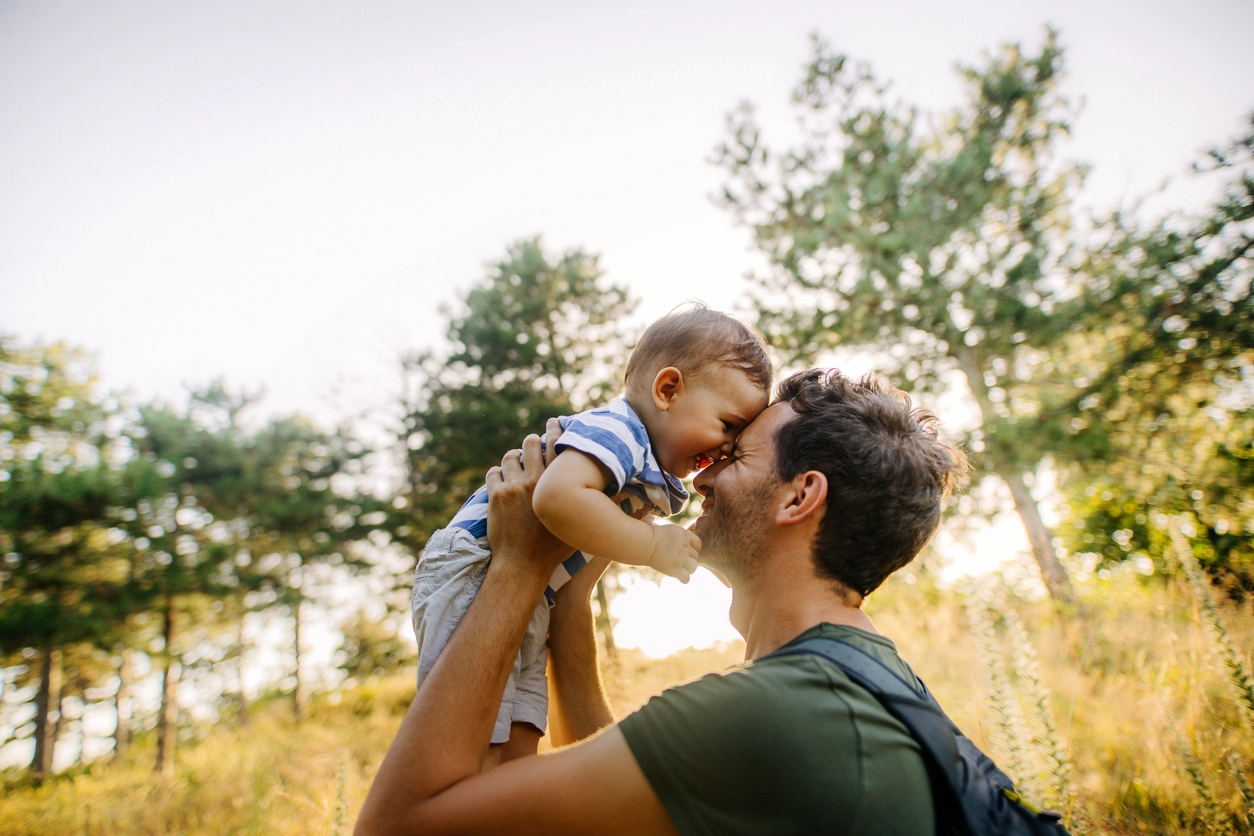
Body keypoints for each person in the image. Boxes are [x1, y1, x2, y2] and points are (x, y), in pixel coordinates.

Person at [357, 367, 968, 835]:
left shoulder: (769, 713)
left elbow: (397, 826)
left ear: (799, 497)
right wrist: (567, 594)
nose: (699, 477)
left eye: (732, 456)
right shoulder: (873, 683)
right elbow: (617, 787)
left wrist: (516, 567)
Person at [410, 305, 772, 767]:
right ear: (667, 390)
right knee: (470, 738)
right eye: (728, 425)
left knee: (521, 734)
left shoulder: (645, 467)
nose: (726, 447)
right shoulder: (617, 430)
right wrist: (652, 545)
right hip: (475, 566)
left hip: (534, 589)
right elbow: (556, 498)